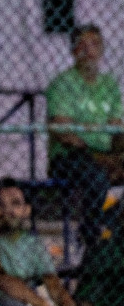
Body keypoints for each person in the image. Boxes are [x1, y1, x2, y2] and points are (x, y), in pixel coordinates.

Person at [45, 24, 124, 253]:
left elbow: (117, 130)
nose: (90, 50)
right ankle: (91, 238)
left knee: (110, 169)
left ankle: (112, 227)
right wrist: (100, 151)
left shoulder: (109, 85)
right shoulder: (63, 84)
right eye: (83, 45)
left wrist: (118, 156)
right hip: (70, 157)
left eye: (95, 44)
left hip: (106, 155)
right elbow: (65, 133)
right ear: (73, 51)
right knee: (96, 176)